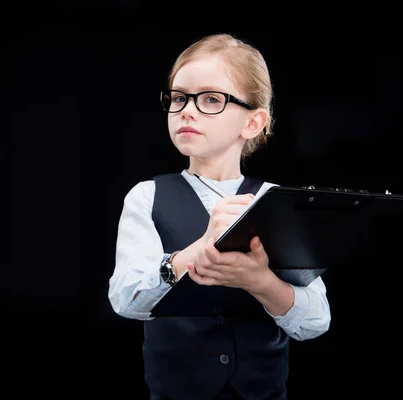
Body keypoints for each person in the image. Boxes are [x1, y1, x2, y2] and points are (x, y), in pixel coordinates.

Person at [108, 33, 331, 400]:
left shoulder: (277, 202)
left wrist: (260, 282)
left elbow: (316, 321)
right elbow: (125, 300)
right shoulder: (146, 196)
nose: (187, 110)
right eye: (179, 98)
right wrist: (193, 255)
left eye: (211, 99)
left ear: (252, 123)